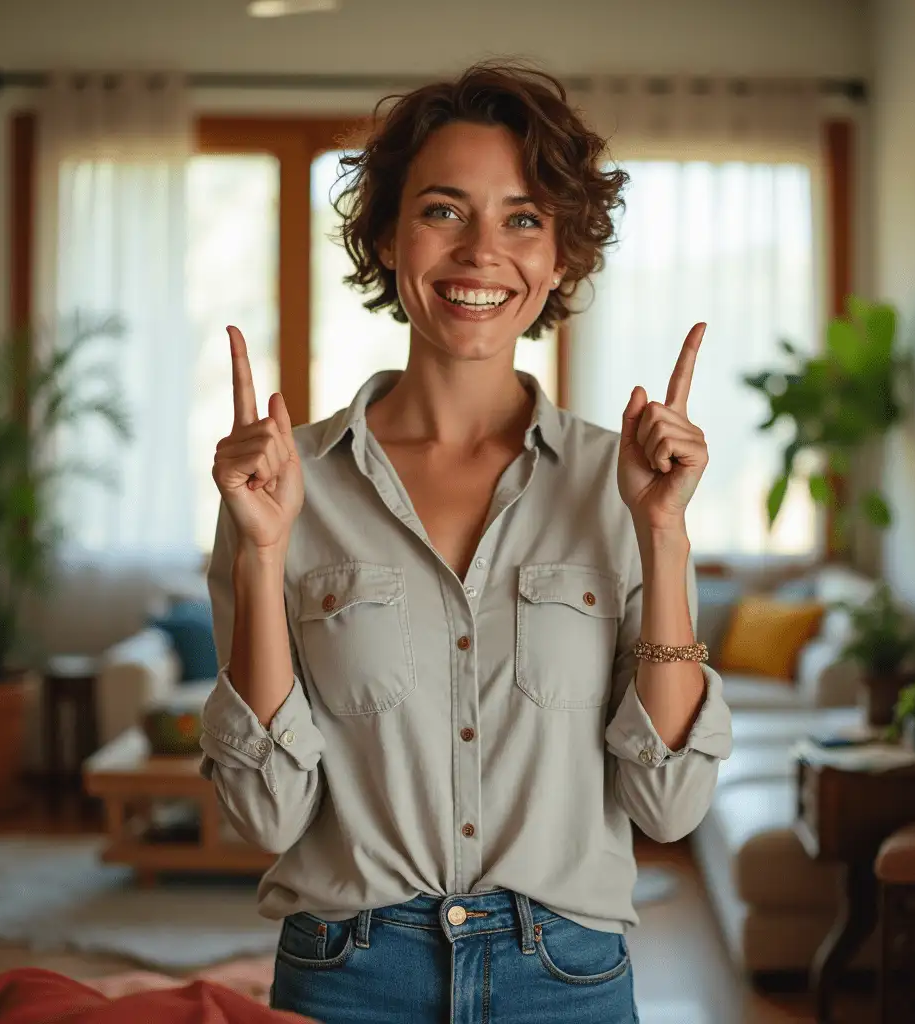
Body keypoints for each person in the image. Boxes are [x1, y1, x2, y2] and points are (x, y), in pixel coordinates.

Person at [200, 60, 733, 1023]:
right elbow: (265, 815)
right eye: (445, 210)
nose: (482, 251)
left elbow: (668, 807)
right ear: (389, 236)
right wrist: (265, 551)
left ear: (563, 255)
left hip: (566, 978)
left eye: (524, 217)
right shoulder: (283, 486)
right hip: (346, 975)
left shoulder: (629, 484)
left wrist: (662, 536)